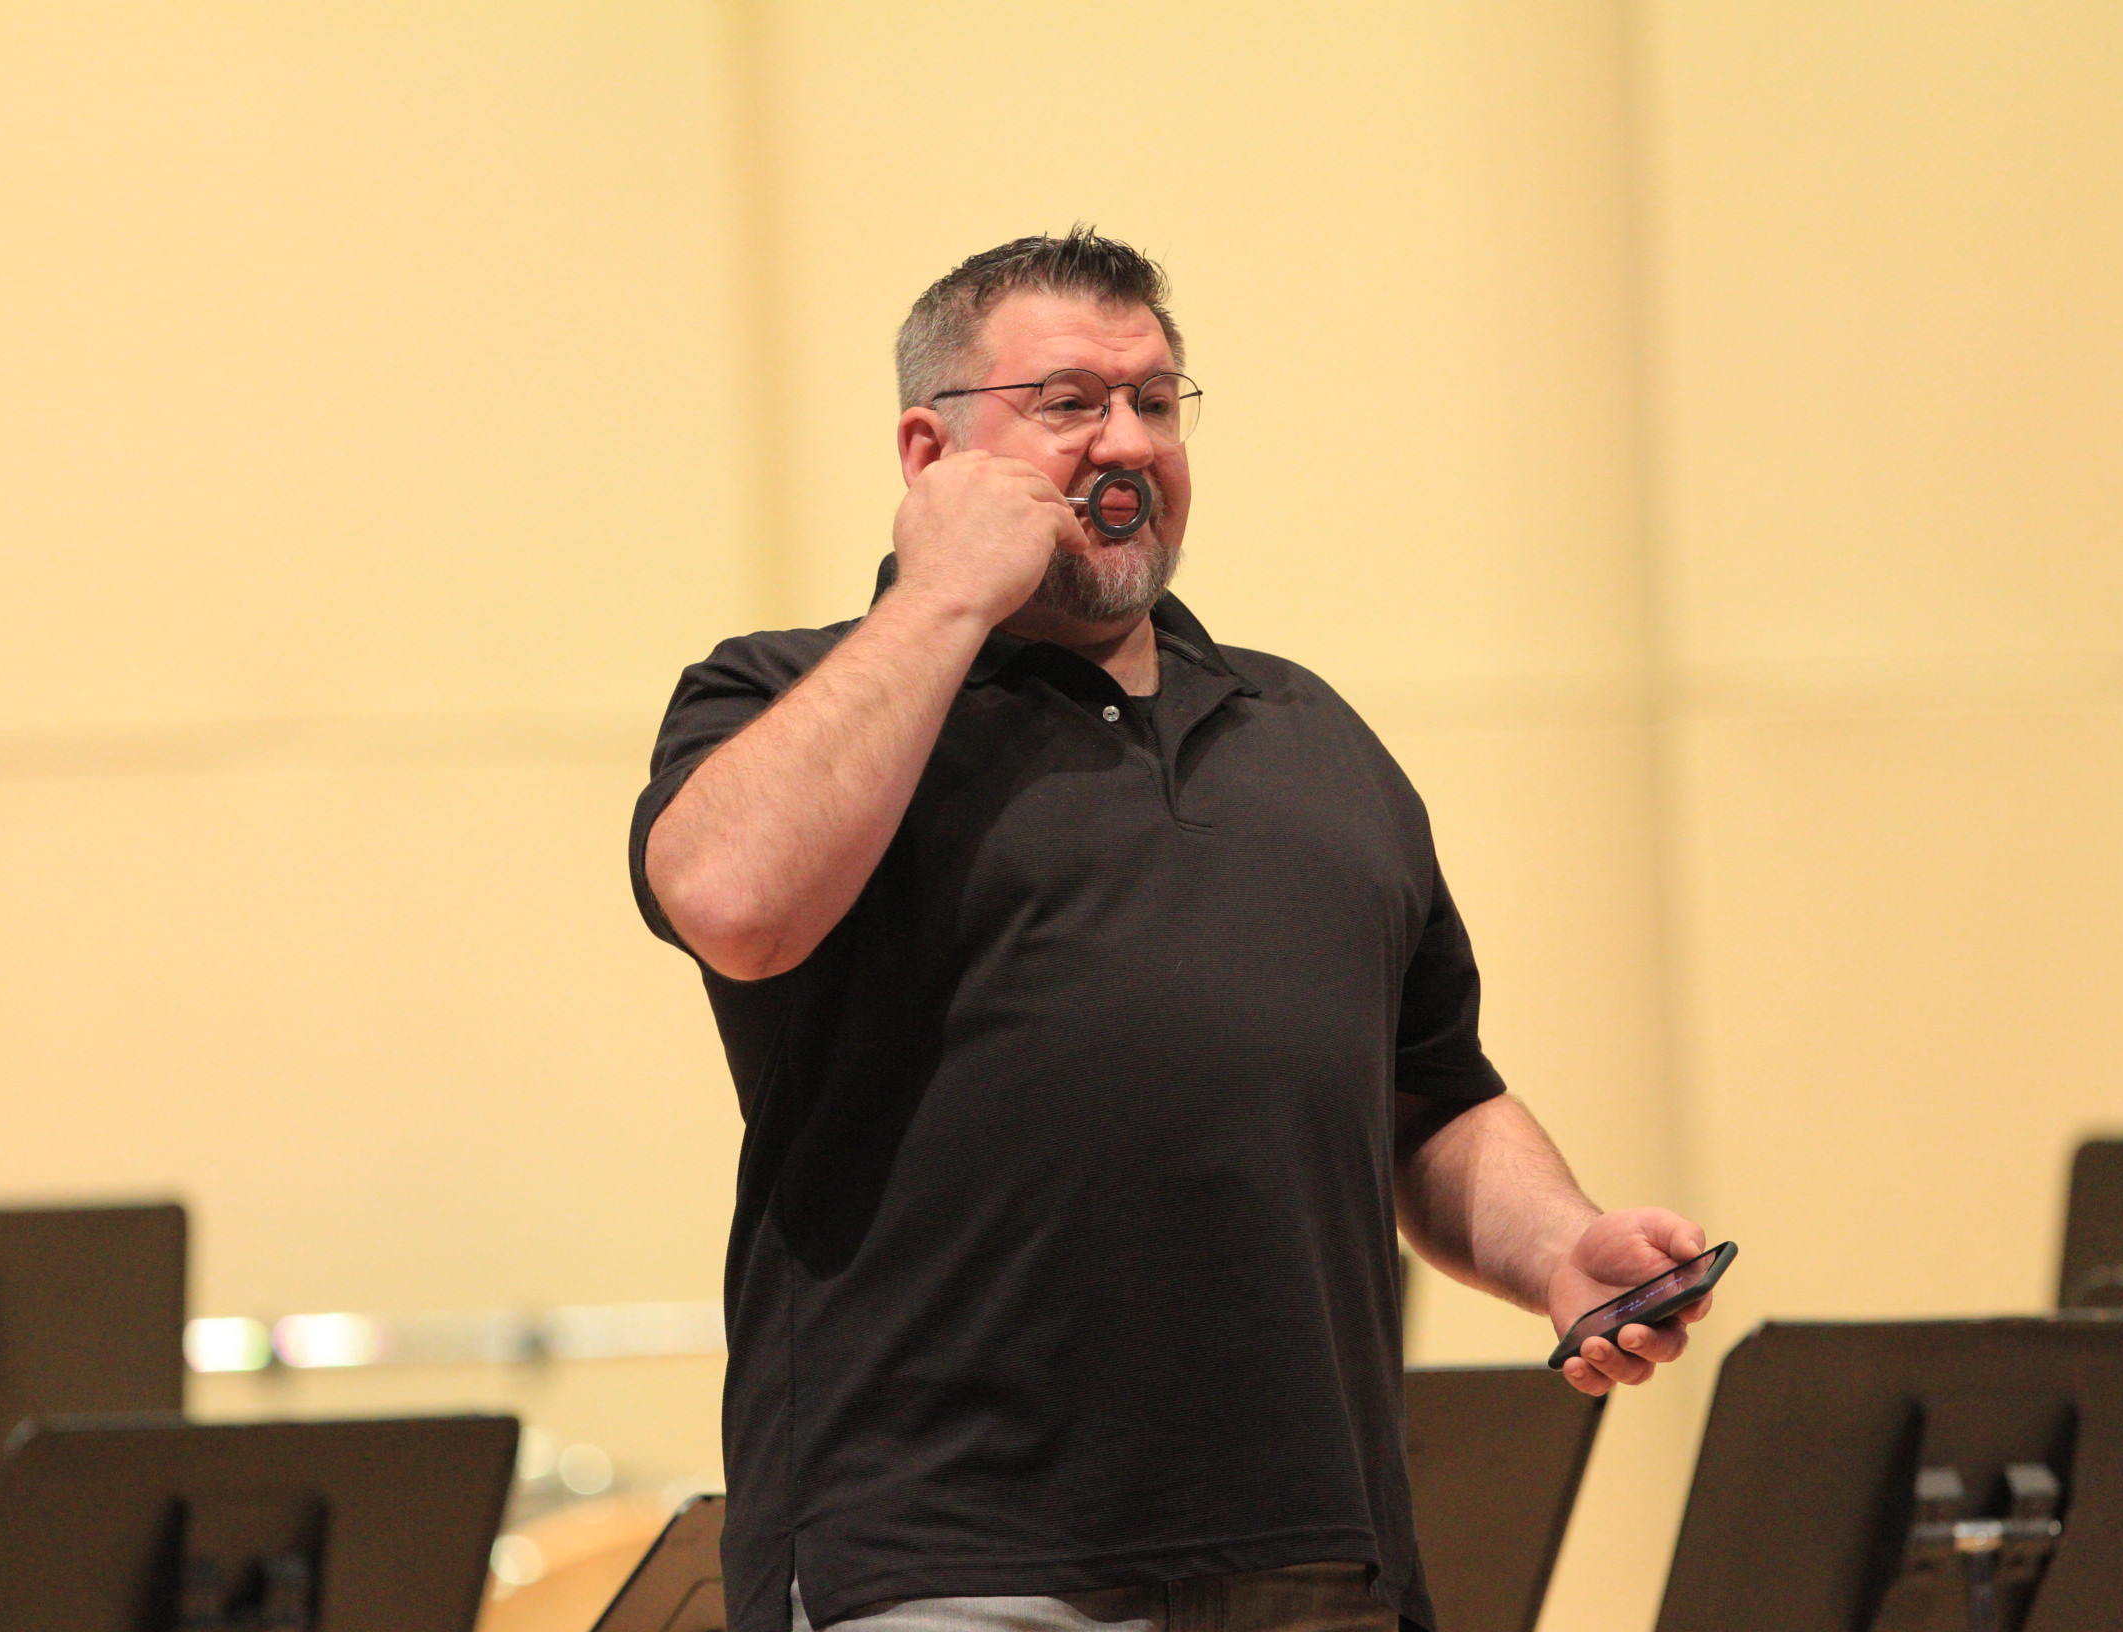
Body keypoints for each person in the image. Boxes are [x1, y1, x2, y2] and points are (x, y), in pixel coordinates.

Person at [630, 229, 1712, 1632]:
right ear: (928, 452)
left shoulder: (1306, 735)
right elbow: (730, 904)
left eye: (1156, 400)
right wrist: (946, 592)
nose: (1128, 443)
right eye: (1069, 404)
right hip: (947, 1560)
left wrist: (1558, 1249)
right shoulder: (785, 697)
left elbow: (1431, 1098)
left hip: (1313, 1557)